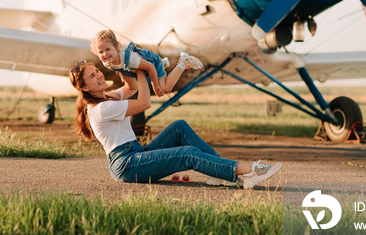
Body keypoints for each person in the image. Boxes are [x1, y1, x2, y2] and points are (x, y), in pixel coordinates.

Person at [69, 60, 283, 187]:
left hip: (134, 153)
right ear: (85, 88)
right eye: (92, 76)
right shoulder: (101, 109)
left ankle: (221, 173)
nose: (98, 75)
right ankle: (247, 171)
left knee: (179, 127)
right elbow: (144, 102)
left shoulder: (107, 98)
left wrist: (127, 67)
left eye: (97, 71)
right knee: (186, 153)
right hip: (126, 164)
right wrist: (143, 69)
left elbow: (131, 88)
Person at [91, 29, 203, 97]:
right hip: (141, 66)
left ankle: (183, 62)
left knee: (165, 88)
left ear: (116, 47)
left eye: (108, 49)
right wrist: (122, 75)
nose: (104, 54)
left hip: (152, 62)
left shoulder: (130, 59)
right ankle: (164, 65)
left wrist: (155, 85)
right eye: (100, 52)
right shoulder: (107, 63)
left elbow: (149, 67)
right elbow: (118, 68)